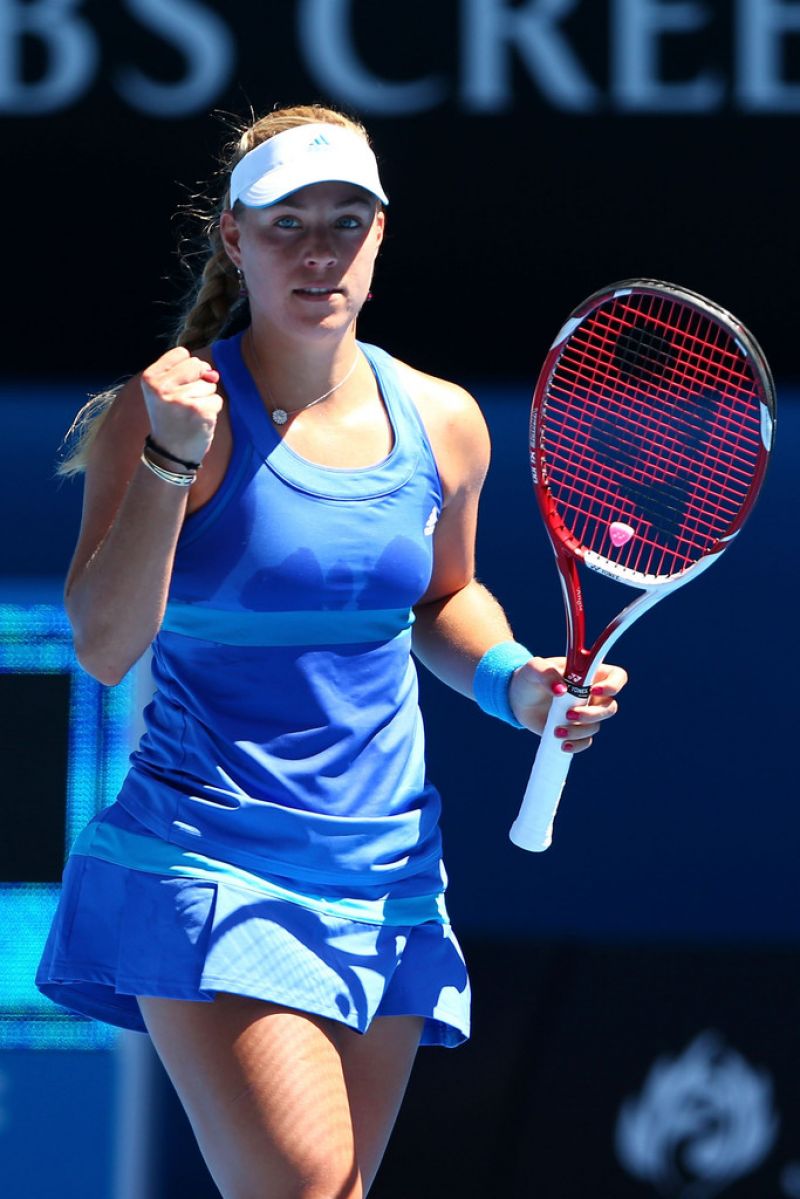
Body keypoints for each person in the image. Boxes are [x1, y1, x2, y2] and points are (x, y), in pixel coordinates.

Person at [36, 103, 627, 1199]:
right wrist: (172, 458)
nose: (318, 252)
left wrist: (515, 682)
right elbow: (107, 645)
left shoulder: (444, 421)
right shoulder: (162, 414)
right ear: (232, 237)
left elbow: (440, 599)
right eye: (285, 223)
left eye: (344, 222)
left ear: (382, 232)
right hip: (206, 861)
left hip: (385, 873)